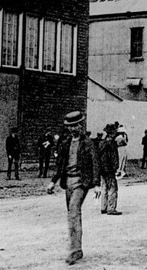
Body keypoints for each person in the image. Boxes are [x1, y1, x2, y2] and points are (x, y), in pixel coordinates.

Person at [47, 111, 100, 265]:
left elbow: (95, 163)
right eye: (70, 126)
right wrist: (53, 181)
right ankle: (78, 247)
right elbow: (61, 165)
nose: (73, 129)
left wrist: (96, 184)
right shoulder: (65, 143)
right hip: (68, 182)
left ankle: (75, 250)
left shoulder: (88, 142)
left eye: (76, 125)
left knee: (73, 212)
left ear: (81, 125)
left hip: (81, 182)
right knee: (72, 213)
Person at [98, 123, 122, 215]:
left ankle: (103, 207)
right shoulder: (112, 143)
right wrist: (115, 168)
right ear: (112, 133)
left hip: (102, 169)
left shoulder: (102, 142)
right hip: (109, 169)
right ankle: (111, 208)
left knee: (104, 187)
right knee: (112, 188)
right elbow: (113, 157)